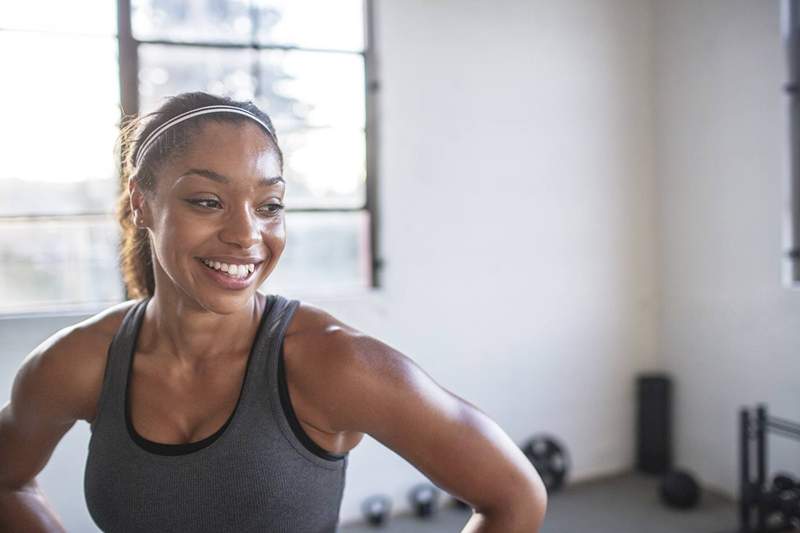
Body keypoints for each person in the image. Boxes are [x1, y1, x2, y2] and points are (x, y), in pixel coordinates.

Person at [0, 92, 547, 532]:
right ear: (142, 201)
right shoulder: (80, 362)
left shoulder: (335, 362)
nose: (246, 234)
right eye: (207, 201)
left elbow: (514, 497)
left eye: (269, 206)